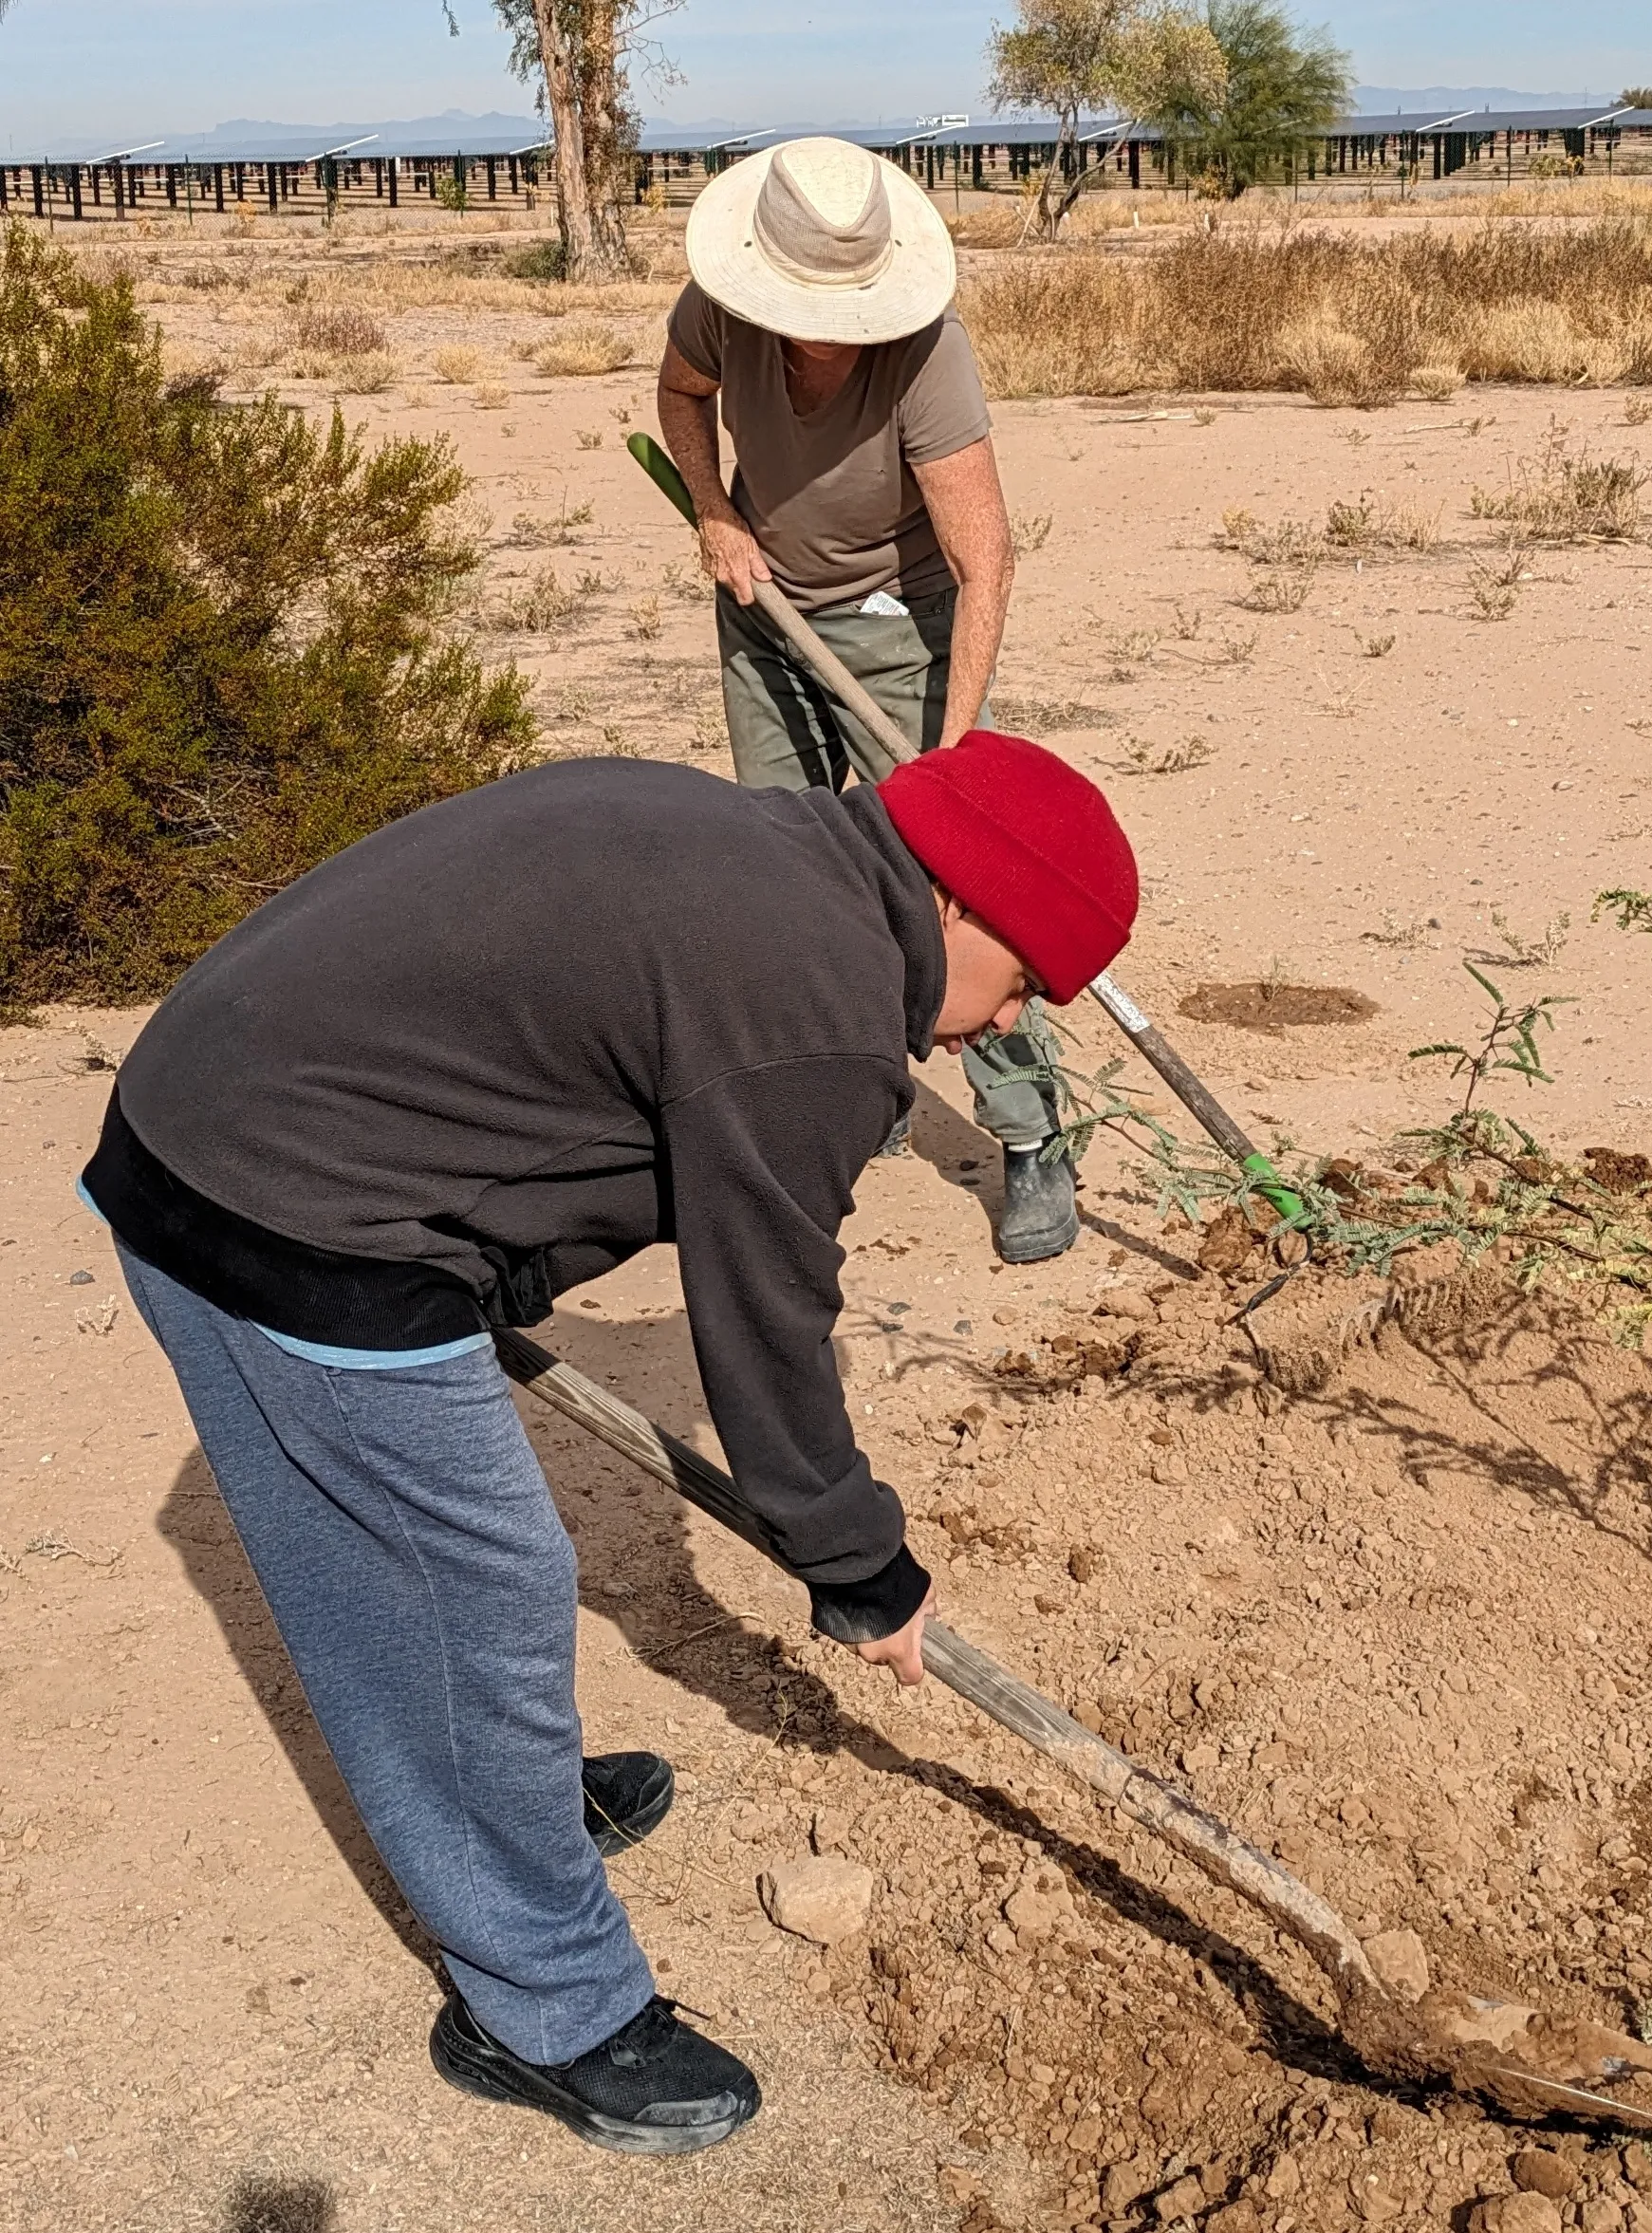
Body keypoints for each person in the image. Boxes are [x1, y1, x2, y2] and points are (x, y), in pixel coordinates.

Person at [81, 731, 1137, 2155]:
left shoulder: (756, 849)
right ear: (960, 903)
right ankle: (546, 2009)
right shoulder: (815, 1007)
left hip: (228, 1110)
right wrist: (861, 1569)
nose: (1007, 1030)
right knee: (486, 1590)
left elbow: (549, 1053)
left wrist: (493, 1265)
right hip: (273, 1209)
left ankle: (497, 1791)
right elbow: (768, 1324)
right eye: (1024, 986)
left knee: (469, 1599)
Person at [654, 134, 1082, 1266]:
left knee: (955, 893)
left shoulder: (927, 354)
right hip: (764, 610)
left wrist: (955, 759)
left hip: (900, 628)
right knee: (789, 871)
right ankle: (857, 1091)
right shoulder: (719, 310)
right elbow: (679, 395)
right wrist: (714, 509)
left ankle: (1032, 1135)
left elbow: (986, 559)